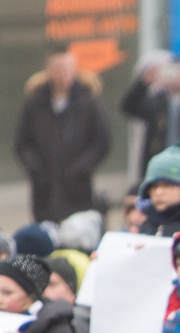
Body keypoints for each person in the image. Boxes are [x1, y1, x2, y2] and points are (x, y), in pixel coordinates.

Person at [14, 49, 111, 223]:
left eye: (67, 67)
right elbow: (22, 143)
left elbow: (102, 141)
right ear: (48, 70)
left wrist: (81, 168)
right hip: (44, 189)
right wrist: (36, 170)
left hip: (78, 189)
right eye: (58, 68)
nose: (63, 73)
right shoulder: (35, 105)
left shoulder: (88, 103)